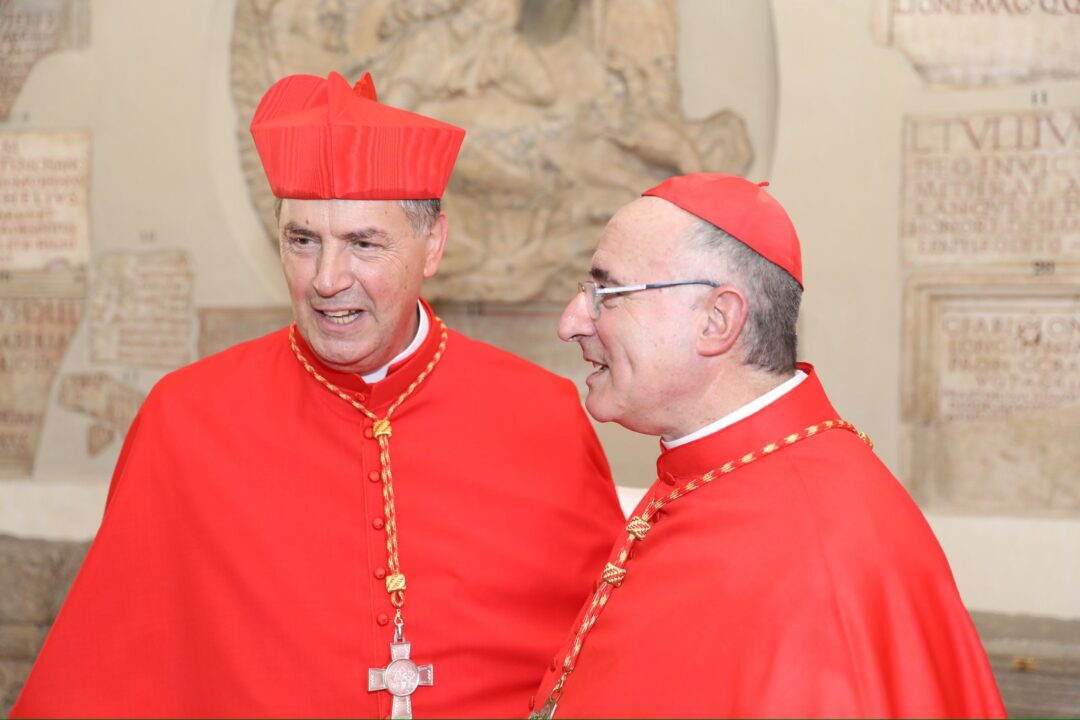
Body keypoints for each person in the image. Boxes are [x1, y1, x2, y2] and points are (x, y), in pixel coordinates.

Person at [11, 71, 623, 719]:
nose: (327, 280)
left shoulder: (543, 416)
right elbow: (100, 676)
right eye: (303, 241)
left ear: (433, 244)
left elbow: (608, 654)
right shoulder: (185, 418)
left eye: (363, 244)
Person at [529, 173, 1006, 718]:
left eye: (606, 294)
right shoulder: (707, 470)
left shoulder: (821, 549)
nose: (572, 323)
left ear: (717, 320)